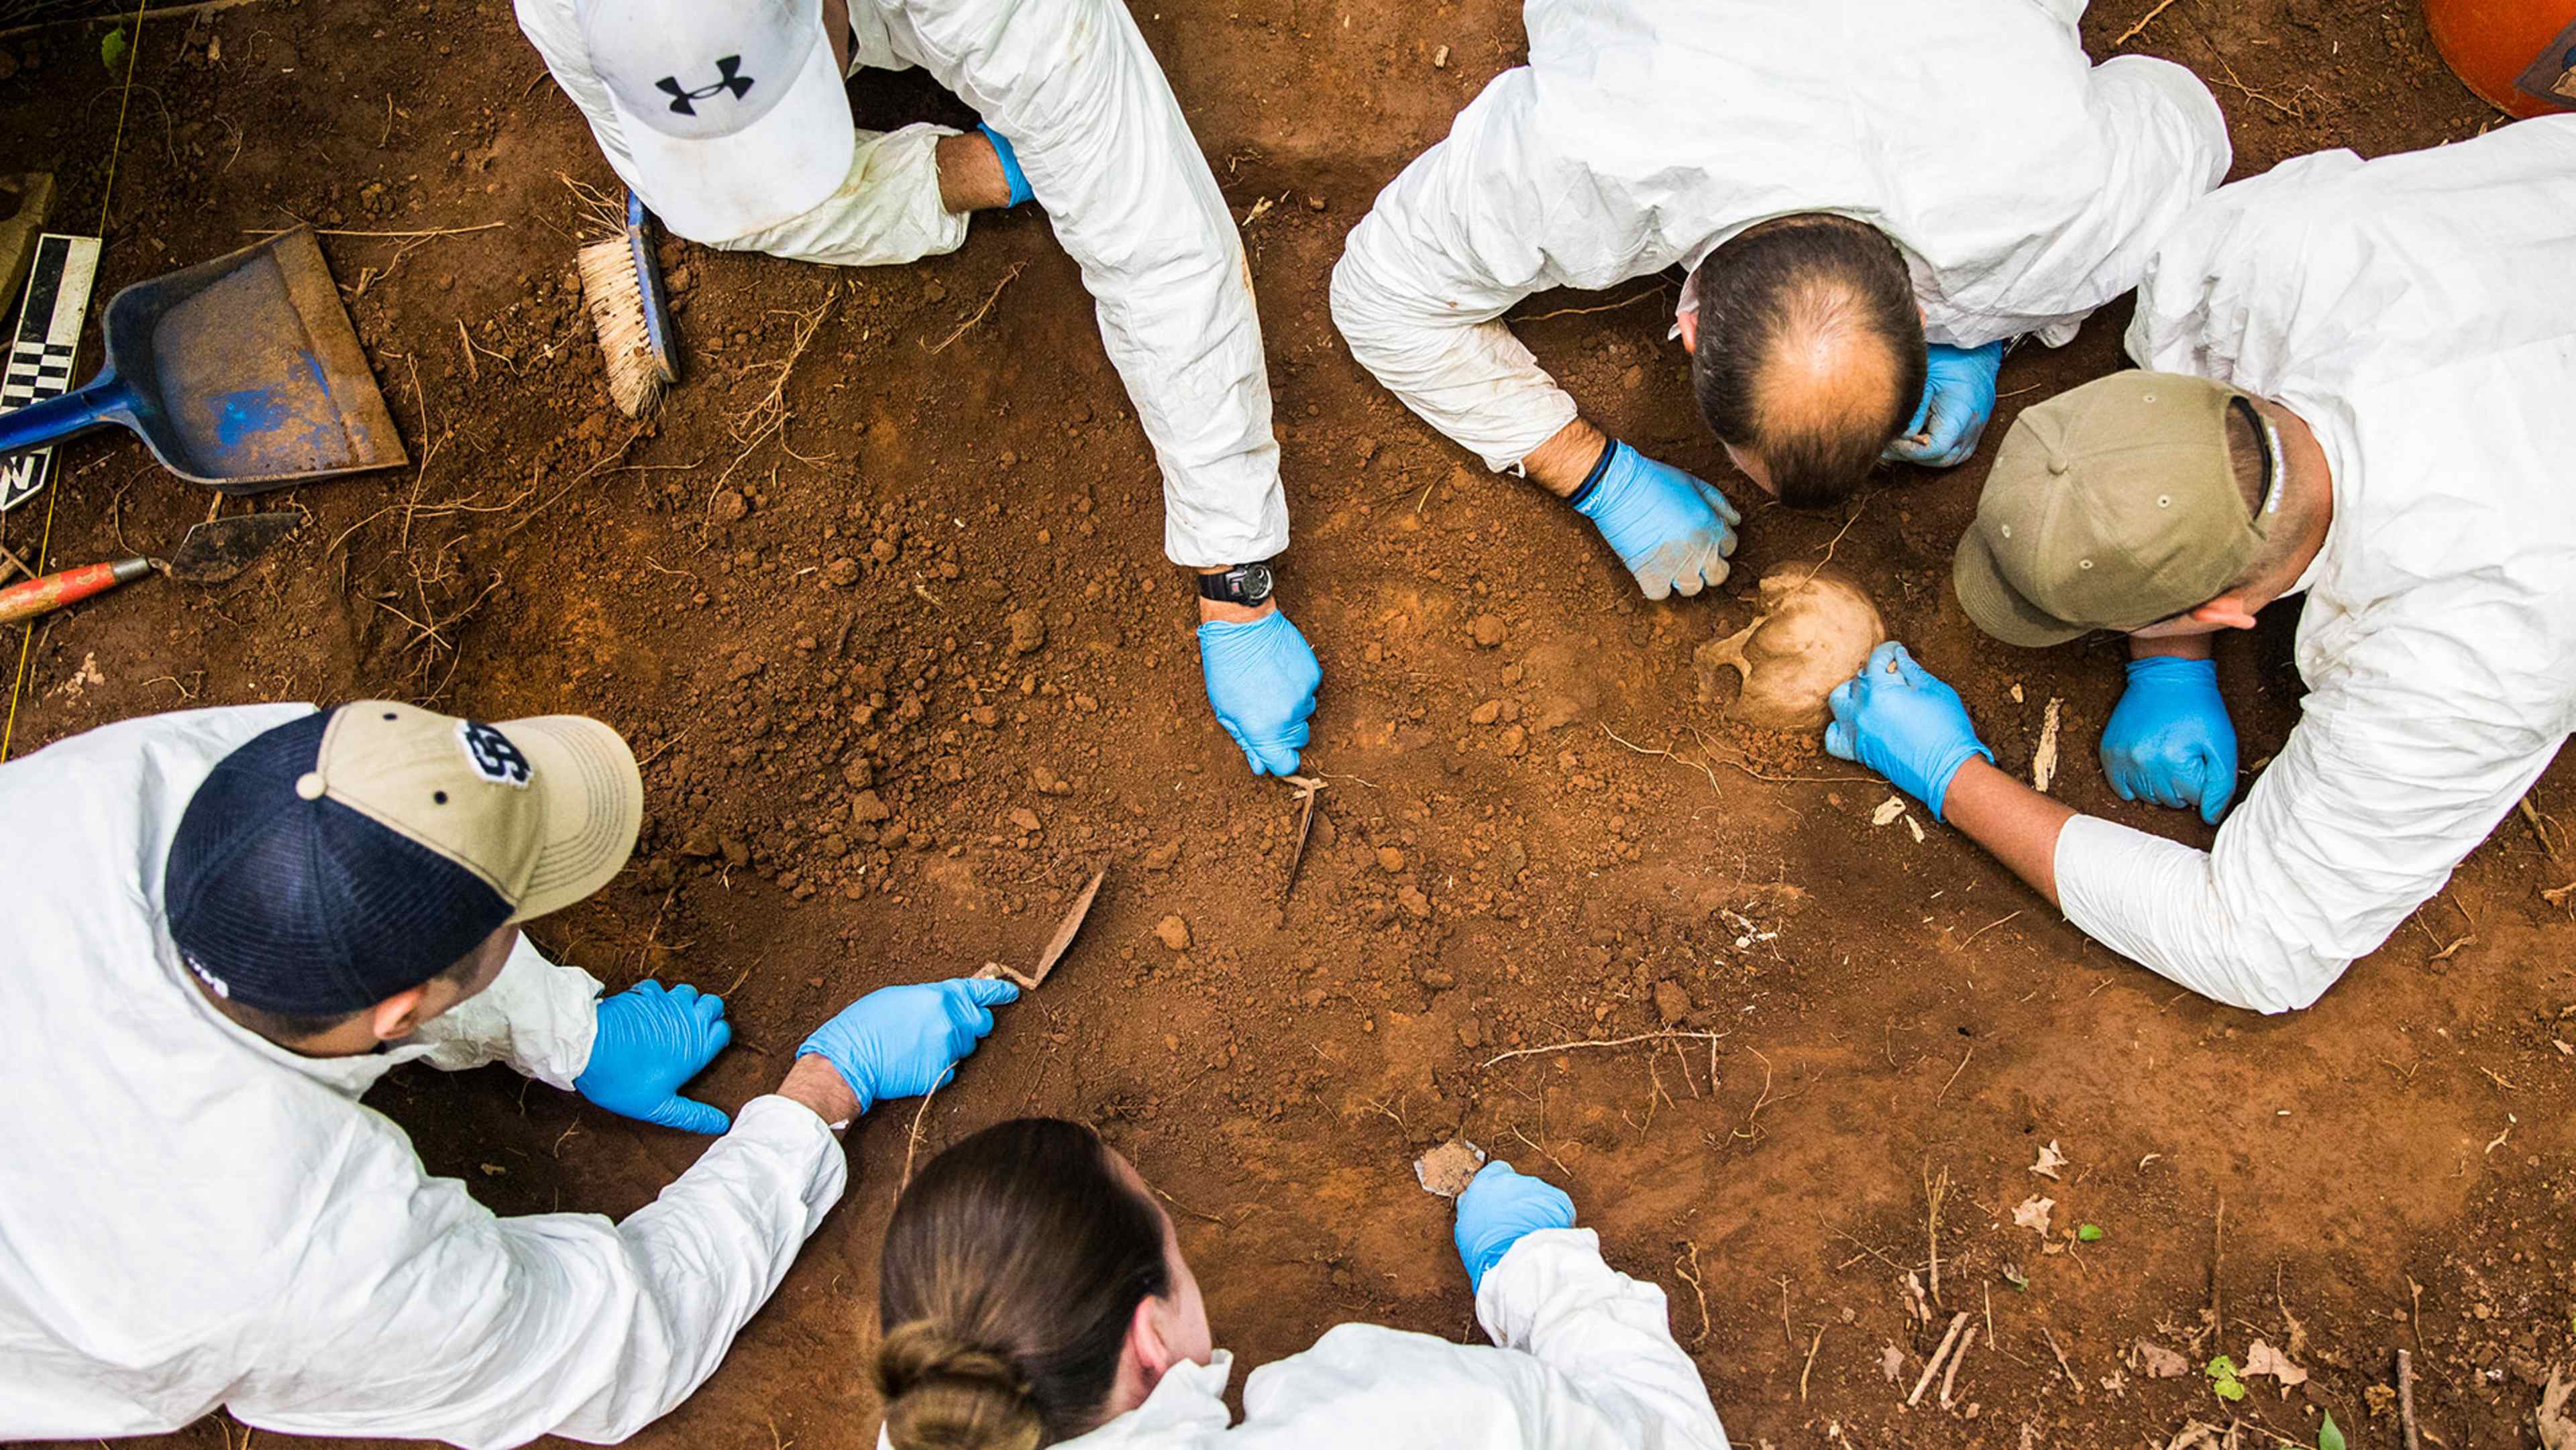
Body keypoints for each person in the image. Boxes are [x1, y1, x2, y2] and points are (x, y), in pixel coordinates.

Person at [0, 700, 1022, 1445]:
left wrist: (567, 1030)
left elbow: (372, 882)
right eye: (515, 917)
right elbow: (622, 1338)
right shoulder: (307, 1254)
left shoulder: (201, 776)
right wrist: (820, 1094)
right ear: (399, 1017)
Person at [1823, 117, 2576, 1014]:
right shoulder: (2270, 257)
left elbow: (2257, 945)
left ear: (2226, 610)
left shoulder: (2477, 641)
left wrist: (1951, 772)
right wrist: (2166, 654)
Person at [515, 0, 1322, 777]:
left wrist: (1235, 577)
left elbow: (1159, 251)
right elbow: (706, 196)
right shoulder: (572, 14)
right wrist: (962, 172)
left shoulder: (1008, 17)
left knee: (1095, 149)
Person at [1329, 0, 2229, 600]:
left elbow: (2184, 121)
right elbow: (1378, 293)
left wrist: (1999, 312)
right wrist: (1593, 471)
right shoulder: (1587, 153)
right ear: (1688, 330)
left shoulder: (2053, 195)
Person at [868, 1118, 1730, 1449]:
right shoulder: (1383, 1421)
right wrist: (1539, 1265)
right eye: (1171, 1239)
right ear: (1150, 1339)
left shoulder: (935, 1418)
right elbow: (1667, 1433)